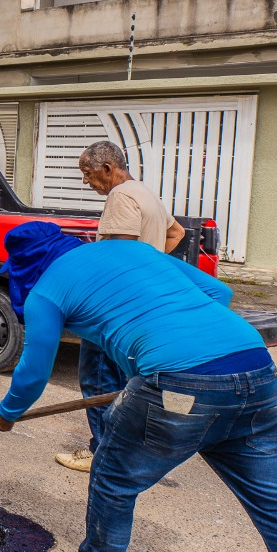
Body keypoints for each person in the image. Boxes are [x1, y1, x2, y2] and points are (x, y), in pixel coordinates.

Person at [0, 221, 277, 552]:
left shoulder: (47, 290)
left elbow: (33, 372)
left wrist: (5, 414)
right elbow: (219, 292)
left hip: (180, 385)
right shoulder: (134, 251)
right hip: (257, 370)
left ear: (26, 265)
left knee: (113, 478)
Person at [56, 140, 188, 473]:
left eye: (87, 174)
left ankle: (103, 454)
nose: (86, 181)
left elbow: (118, 258)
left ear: (107, 168)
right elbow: (177, 232)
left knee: (99, 381)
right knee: (124, 382)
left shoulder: (120, 196)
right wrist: (151, 271)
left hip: (113, 310)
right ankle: (127, 448)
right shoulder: (143, 192)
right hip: (138, 307)